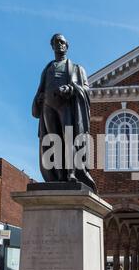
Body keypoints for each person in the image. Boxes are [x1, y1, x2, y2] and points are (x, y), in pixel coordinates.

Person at [32, 34, 97, 193]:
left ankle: (71, 173)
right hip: (48, 106)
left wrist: (71, 89)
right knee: (52, 140)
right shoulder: (47, 69)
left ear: (67, 46)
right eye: (55, 42)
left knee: (68, 139)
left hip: (66, 106)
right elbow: (41, 88)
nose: (59, 44)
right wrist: (39, 98)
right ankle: (58, 175)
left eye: (61, 42)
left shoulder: (76, 68)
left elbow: (87, 89)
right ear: (52, 46)